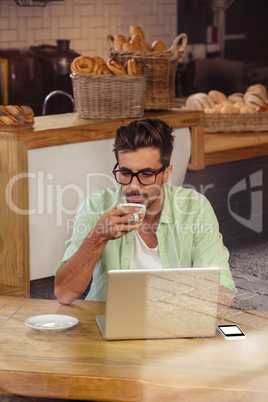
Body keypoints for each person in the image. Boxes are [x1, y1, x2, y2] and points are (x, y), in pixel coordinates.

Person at [55, 118, 237, 306]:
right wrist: (97, 237)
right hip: (107, 321)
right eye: (125, 173)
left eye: (146, 175)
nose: (134, 186)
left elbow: (219, 282)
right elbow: (63, 293)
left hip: (174, 321)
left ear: (167, 173)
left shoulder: (194, 207)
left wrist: (206, 308)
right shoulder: (96, 206)